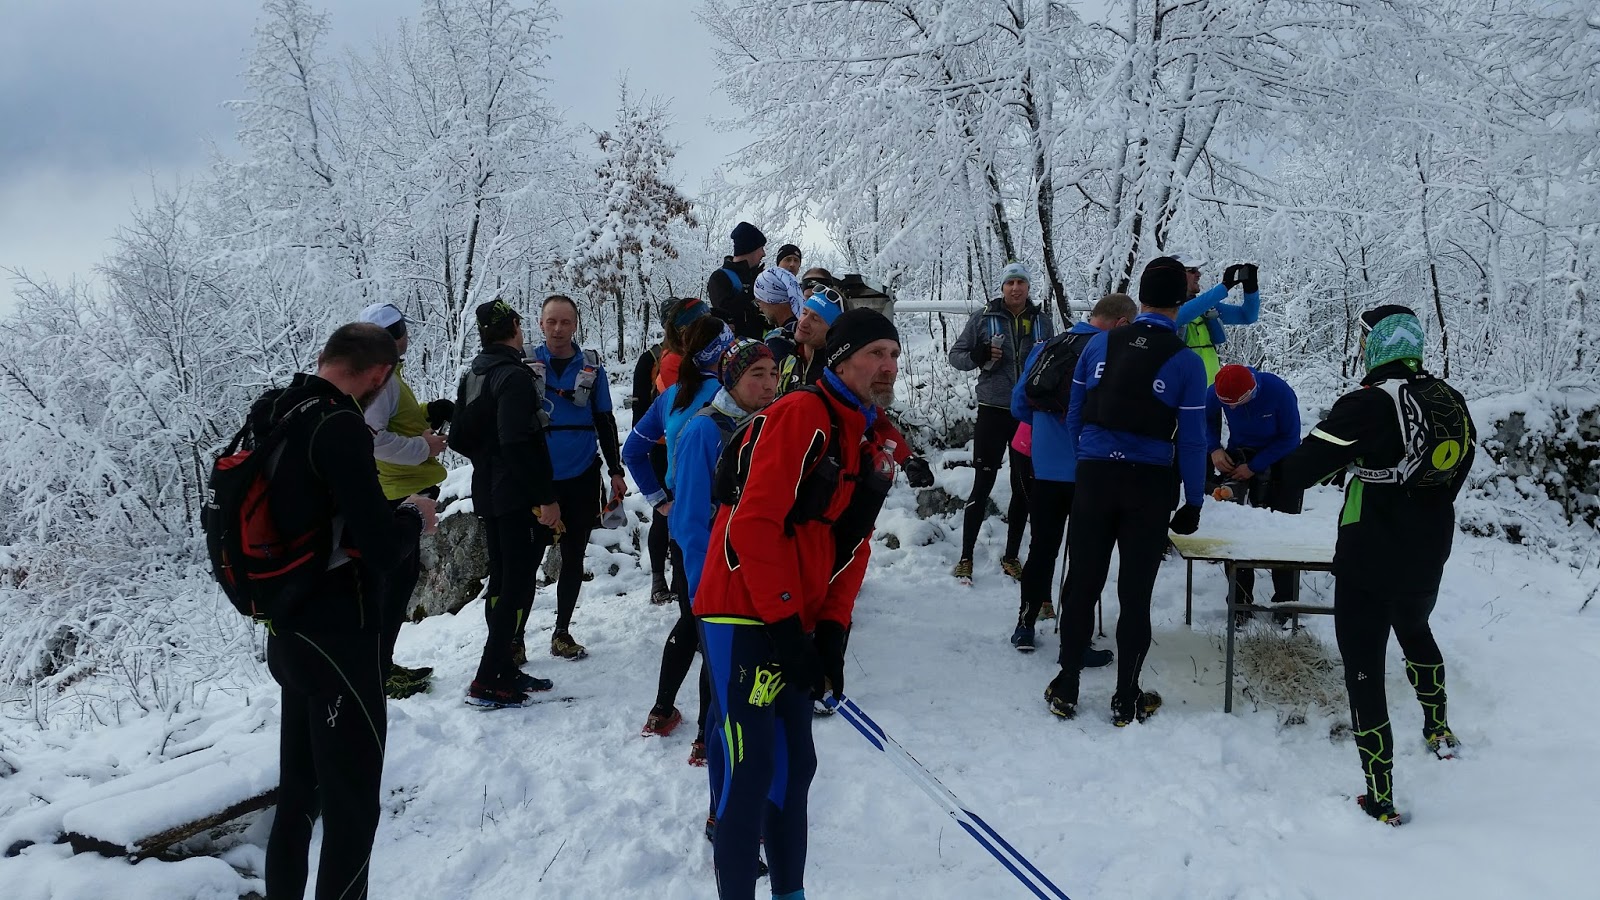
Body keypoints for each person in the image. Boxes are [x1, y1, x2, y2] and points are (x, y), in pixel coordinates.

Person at [694, 307, 902, 900]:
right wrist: (786, 624)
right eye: (875, 353)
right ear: (841, 359)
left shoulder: (867, 435)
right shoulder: (802, 414)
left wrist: (831, 631)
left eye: (893, 354)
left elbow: (852, 545)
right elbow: (753, 525)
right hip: (739, 608)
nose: (887, 365)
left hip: (790, 615)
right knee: (751, 766)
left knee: (795, 767)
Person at [258, 322, 438, 900]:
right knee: (352, 807)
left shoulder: (276, 408)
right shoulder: (340, 426)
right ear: (380, 374)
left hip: (287, 629)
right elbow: (380, 548)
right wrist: (412, 516)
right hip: (339, 636)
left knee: (298, 794)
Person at [1279, 305, 1474, 825]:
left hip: (1369, 551)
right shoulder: (1448, 399)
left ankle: (1380, 796)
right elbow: (1455, 473)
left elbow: (1298, 470)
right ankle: (1439, 729)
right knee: (1416, 629)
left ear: (1375, 347)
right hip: (1429, 547)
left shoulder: (1365, 404)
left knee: (1364, 665)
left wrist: (1245, 476)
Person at [1044, 257, 1208, 726]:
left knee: (1082, 582)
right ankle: (1125, 696)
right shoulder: (1187, 361)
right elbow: (1193, 440)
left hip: (1095, 475)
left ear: (1142, 296)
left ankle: (1067, 684)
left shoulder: (1098, 344)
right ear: (1180, 301)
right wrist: (1194, 500)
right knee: (1136, 592)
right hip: (1149, 484)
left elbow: (1075, 413)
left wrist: (1089, 458)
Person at [639, 340, 778, 824]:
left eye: (773, 374)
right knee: (719, 675)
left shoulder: (767, 422)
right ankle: (721, 795)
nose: (768, 384)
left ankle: (734, 784)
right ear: (732, 379)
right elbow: (689, 521)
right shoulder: (705, 429)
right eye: (756, 374)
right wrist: (703, 592)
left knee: (742, 686)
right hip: (713, 575)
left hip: (752, 573)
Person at [622, 316, 738, 762]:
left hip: (681, 524)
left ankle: (661, 711)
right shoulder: (731, 398)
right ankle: (707, 737)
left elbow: (633, 450)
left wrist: (659, 500)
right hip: (722, 527)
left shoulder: (672, 395)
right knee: (715, 628)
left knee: (691, 619)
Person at [449, 298, 562, 709]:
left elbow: (458, 437)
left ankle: (502, 668)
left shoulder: (474, 375)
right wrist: (545, 499)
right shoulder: (512, 376)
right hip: (516, 497)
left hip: (488, 491)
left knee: (503, 583)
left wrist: (487, 458)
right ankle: (487, 678)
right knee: (515, 585)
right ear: (515, 326)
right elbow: (516, 442)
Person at [1009, 292, 1137, 659]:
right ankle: (1075, 639)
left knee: (1041, 548)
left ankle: (1025, 624)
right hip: (1092, 469)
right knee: (1085, 556)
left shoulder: (1049, 346)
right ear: (1122, 323)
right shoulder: (1111, 351)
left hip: (1045, 465)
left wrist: (1048, 428)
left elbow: (1019, 404)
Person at [514, 295, 627, 661]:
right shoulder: (525, 364)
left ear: (576, 324)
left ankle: (561, 631)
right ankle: (515, 638)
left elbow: (605, 420)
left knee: (573, 556)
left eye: (565, 322)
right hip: (538, 478)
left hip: (581, 475)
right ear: (540, 323)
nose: (558, 329)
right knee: (528, 559)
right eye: (551, 321)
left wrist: (615, 470)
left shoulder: (590, 367)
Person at [356, 302, 448, 700]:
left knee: (398, 581)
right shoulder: (382, 381)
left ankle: (381, 665)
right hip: (397, 492)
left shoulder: (385, 376)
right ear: (397, 337)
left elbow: (394, 422)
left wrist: (428, 412)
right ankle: (379, 671)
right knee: (394, 584)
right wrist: (423, 448)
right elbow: (373, 437)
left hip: (398, 488)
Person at [948, 261, 1055, 584]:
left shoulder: (1042, 321)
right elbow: (956, 356)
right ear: (1002, 287)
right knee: (983, 483)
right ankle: (966, 557)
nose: (1015, 288)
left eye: (1021, 282)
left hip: (1028, 414)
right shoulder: (983, 318)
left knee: (1023, 487)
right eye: (1010, 283)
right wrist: (977, 356)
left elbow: (1055, 360)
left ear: (1028, 287)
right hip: (992, 410)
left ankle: (1011, 557)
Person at [1207, 364, 1305, 621]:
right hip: (1240, 454)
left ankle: (1285, 604)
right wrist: (1214, 448)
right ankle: (1239, 603)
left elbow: (1290, 437)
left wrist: (1255, 467)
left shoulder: (1278, 391)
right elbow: (1203, 418)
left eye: (1237, 404)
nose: (1233, 410)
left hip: (1281, 457)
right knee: (1236, 529)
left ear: (1251, 392)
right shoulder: (1218, 389)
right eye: (1228, 405)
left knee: (1284, 529)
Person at [1171, 253, 1262, 386]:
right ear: (1175, 277)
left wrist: (1251, 289)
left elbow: (1248, 316)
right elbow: (1180, 316)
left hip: (1211, 393)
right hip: (1183, 394)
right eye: (1192, 270)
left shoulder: (1206, 308)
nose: (1198, 274)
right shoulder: (1164, 311)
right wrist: (1223, 287)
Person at [708, 221, 769, 339]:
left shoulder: (758, 276)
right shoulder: (720, 277)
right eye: (761, 248)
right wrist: (753, 291)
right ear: (750, 249)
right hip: (737, 346)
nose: (764, 254)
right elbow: (725, 312)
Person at [778, 287, 844, 395]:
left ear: (832, 331)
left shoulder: (838, 372)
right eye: (804, 313)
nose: (803, 322)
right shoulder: (788, 361)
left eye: (815, 319)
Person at [754, 267, 805, 361]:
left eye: (759, 301)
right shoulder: (808, 330)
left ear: (771, 299)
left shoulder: (778, 341)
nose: (760, 309)